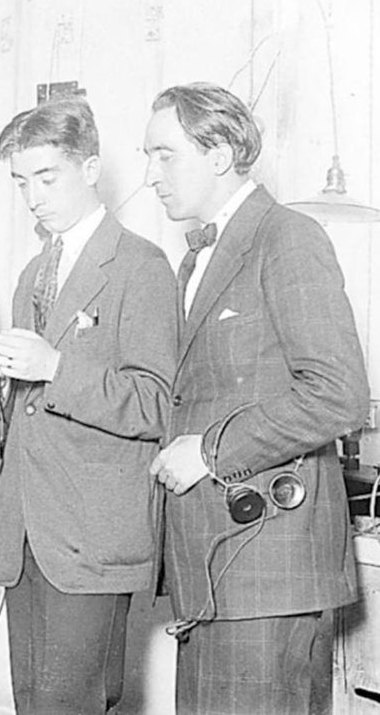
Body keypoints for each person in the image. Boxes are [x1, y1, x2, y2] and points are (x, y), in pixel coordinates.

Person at [145, 82, 370, 714]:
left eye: (165, 155)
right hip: (213, 568)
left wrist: (208, 452)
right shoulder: (197, 260)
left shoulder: (287, 237)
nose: (151, 175)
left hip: (267, 572)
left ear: (219, 154)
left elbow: (338, 393)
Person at [0, 97, 179, 714]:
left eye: (47, 177)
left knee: (72, 705)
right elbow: (32, 408)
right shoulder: (33, 273)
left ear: (90, 169)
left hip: (91, 541)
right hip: (26, 535)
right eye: (21, 182)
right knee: (33, 703)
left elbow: (156, 404)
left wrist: (55, 367)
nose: (33, 197)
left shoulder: (141, 266)